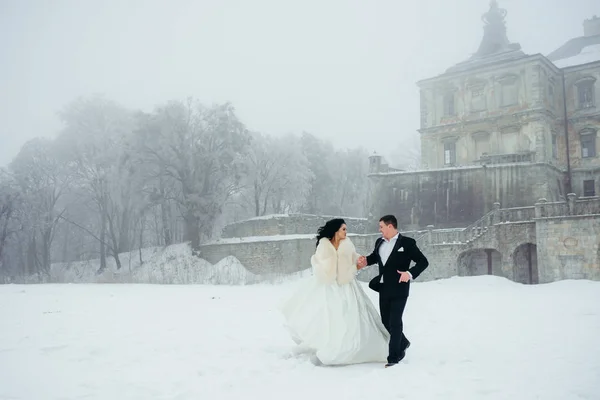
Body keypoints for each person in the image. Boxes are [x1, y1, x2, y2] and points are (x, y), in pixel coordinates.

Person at [280, 218, 389, 366]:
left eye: (346, 229)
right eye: (343, 229)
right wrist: (326, 271)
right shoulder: (323, 245)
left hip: (347, 286)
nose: (346, 232)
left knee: (349, 317)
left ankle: (351, 348)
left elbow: (354, 257)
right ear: (336, 230)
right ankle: (325, 345)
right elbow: (317, 263)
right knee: (328, 317)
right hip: (328, 286)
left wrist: (359, 262)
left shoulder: (347, 244)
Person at [357, 214, 429, 368]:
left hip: (400, 289)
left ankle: (394, 357)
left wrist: (409, 274)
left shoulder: (407, 243)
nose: (380, 229)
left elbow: (423, 262)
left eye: (381, 226)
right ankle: (403, 343)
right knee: (386, 321)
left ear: (390, 226)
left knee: (395, 322)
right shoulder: (379, 242)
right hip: (383, 288)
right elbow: (375, 258)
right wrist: (365, 262)